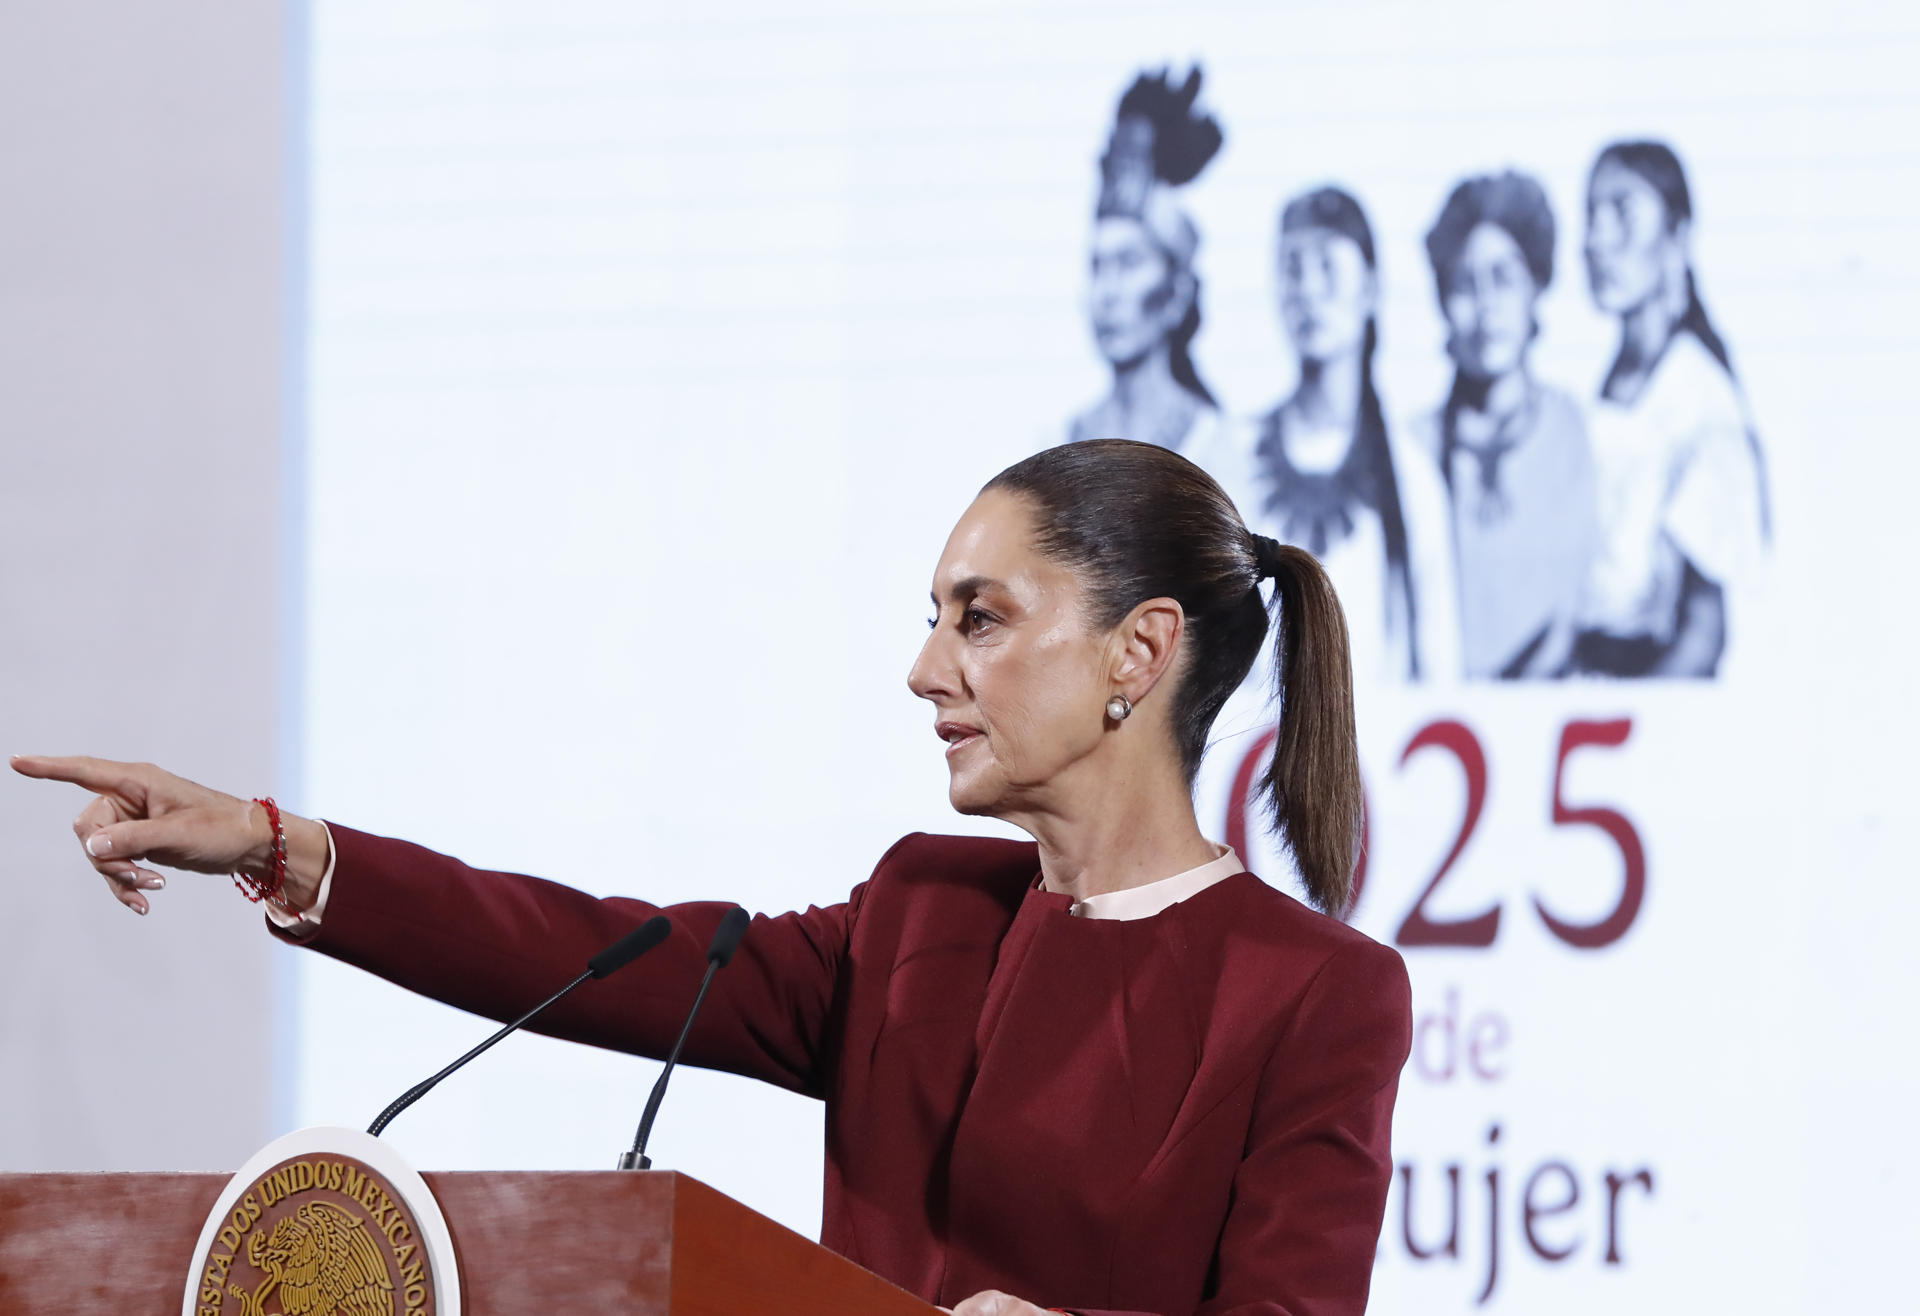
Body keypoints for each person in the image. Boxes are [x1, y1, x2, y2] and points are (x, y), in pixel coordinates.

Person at [15, 441, 1411, 1316]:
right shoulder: (926, 914)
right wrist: (281, 844)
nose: (927, 671)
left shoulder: (1317, 995)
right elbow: (582, 949)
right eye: (931, 622)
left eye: (978, 620)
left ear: (1138, 651)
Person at [1240, 187, 1457, 684]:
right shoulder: (1233, 458)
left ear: (1370, 289)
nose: (1309, 291)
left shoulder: (1412, 477)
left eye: (1328, 269)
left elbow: (1442, 674)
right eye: (1293, 269)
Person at [1573, 139, 1769, 677]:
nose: (1597, 241)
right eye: (1590, 217)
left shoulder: (1700, 399)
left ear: (1677, 236)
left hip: (1650, 691)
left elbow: (1703, 633)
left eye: (1622, 214)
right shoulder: (1609, 388)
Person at [1417, 170, 1599, 679]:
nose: (1486, 307)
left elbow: (1582, 605)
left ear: (1535, 287)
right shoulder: (1414, 448)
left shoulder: (1578, 432)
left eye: (1503, 278)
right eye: (1464, 285)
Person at [1067, 68, 1237, 472]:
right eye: (1097, 267)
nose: (1107, 292)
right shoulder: (1059, 442)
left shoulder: (1222, 448)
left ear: (1177, 293)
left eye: (1129, 263)